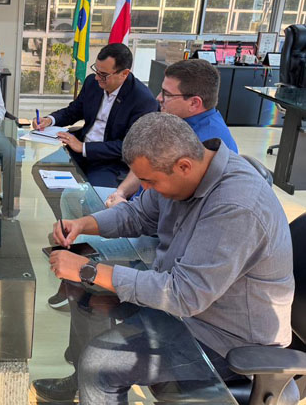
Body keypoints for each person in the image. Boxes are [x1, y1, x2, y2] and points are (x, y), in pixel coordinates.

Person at [48, 113, 295, 403]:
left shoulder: (236, 206)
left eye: (149, 181)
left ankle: (91, 383)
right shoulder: (184, 170)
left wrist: (89, 270)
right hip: (187, 311)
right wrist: (84, 224)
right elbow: (139, 214)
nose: (145, 188)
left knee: (100, 366)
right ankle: (83, 386)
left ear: (184, 166)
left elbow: (184, 294)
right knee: (86, 299)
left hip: (226, 339)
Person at [105, 58, 238, 208]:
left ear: (194, 103)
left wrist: (124, 209)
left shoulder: (202, 146)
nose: (158, 98)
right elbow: (146, 164)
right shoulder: (177, 122)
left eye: (167, 94)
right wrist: (121, 192)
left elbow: (166, 211)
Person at [33, 43, 158, 187]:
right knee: (41, 171)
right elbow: (74, 111)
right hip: (79, 150)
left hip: (110, 162)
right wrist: (49, 120)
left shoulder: (143, 100)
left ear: (124, 74)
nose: (97, 77)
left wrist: (83, 147)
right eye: (96, 70)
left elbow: (129, 146)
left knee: (94, 193)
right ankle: (67, 202)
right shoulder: (92, 83)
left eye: (103, 75)